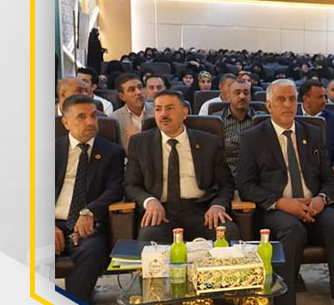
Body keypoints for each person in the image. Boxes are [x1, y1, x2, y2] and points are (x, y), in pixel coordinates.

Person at [236, 79, 334, 305]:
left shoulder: (312, 133)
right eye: (281, 99)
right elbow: (245, 186)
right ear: (269, 105)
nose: (288, 104)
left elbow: (328, 178)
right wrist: (281, 202)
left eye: (292, 99)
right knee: (292, 231)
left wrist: (322, 199)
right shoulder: (253, 137)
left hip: (313, 205)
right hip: (277, 209)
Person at [124, 90, 238, 244]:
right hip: (161, 212)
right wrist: (149, 201)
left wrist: (218, 205)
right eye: (158, 109)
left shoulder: (209, 142)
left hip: (203, 210)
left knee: (227, 232)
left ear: (185, 113)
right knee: (149, 235)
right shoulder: (140, 143)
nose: (163, 114)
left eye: (170, 108)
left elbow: (226, 183)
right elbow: (131, 185)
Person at [54, 95, 125, 302]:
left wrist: (89, 211)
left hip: (88, 224)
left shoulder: (112, 152)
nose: (90, 122)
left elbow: (115, 189)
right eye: (81, 117)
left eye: (93, 116)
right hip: (53, 220)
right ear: (66, 122)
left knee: (93, 251)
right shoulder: (49, 150)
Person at [298, 79, 334, 177]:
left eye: (325, 96)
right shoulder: (293, 116)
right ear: (306, 99)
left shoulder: (333, 117)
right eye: (320, 97)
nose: (324, 101)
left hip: (326, 170)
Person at [220, 79, 259, 180]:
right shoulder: (217, 120)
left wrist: (230, 141)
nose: (242, 96)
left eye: (246, 93)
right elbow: (215, 151)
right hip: (223, 177)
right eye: (237, 93)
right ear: (228, 96)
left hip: (255, 177)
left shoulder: (261, 120)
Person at [111, 73, 153, 149]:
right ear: (122, 96)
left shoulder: (158, 111)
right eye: (132, 90)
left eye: (140, 87)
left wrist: (140, 137)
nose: (138, 92)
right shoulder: (115, 118)